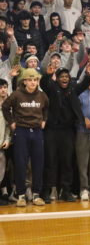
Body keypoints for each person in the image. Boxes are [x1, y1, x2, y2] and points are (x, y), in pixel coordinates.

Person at [40, 66, 90, 203]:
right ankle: (46, 191)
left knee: (67, 162)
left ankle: (66, 191)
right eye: (62, 76)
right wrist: (47, 74)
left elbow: (85, 84)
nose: (64, 78)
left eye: (66, 76)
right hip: (52, 130)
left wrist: (88, 73)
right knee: (50, 161)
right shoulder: (51, 88)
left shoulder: (73, 89)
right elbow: (43, 83)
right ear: (57, 79)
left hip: (68, 131)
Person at [2, 68, 49, 207]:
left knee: (38, 163)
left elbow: (46, 107)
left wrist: (44, 120)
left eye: (35, 80)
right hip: (21, 131)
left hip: (37, 131)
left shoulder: (42, 95)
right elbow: (5, 107)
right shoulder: (16, 95)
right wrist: (11, 122)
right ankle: (21, 195)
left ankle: (36, 195)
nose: (33, 82)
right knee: (21, 164)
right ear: (25, 81)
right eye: (30, 80)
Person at [0, 78, 10, 206]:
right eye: (1, 87)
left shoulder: (9, 105)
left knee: (2, 171)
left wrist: (7, 139)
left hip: (2, 144)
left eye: (5, 87)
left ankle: (4, 193)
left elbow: (8, 126)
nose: (3, 90)